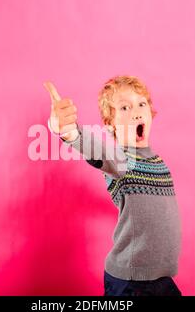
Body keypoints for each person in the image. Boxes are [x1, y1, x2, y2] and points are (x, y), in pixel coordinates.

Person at [44, 75, 182, 296]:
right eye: (125, 108)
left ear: (150, 113)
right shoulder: (121, 159)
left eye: (141, 104)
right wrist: (69, 131)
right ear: (110, 125)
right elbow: (96, 149)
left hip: (161, 279)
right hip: (131, 283)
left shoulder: (157, 161)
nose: (136, 111)